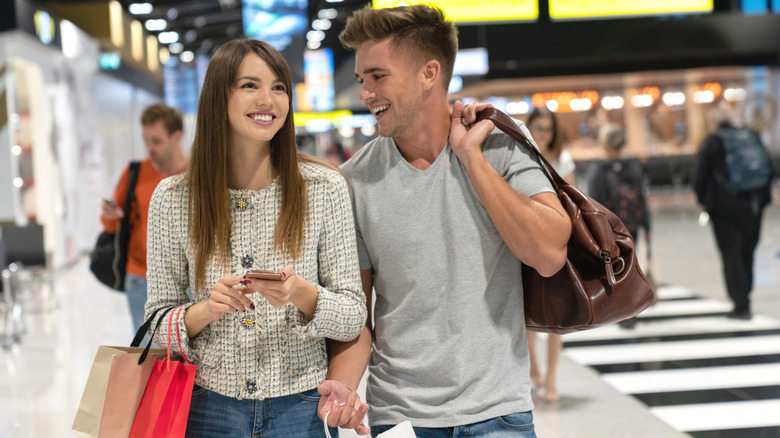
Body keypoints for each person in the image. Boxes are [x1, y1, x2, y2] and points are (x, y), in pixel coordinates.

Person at [317, 5, 571, 437]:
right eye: (362, 79)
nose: (366, 92)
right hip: (400, 416)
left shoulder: (500, 145)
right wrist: (342, 385)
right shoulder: (354, 180)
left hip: (499, 411)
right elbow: (357, 314)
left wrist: (471, 158)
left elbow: (548, 254)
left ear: (429, 73)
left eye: (378, 76)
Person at [143, 39, 367, 437]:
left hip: (301, 409)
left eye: (279, 86)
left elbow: (353, 315)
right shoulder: (174, 199)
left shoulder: (324, 188)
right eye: (250, 85)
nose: (268, 99)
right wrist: (206, 310)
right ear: (218, 97)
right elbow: (156, 323)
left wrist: (300, 292)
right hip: (205, 408)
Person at [101, 103, 188, 334]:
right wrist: (112, 217)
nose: (149, 147)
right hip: (141, 278)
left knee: (189, 355)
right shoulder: (135, 173)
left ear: (176, 136)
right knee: (145, 354)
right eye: (146, 140)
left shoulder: (195, 174)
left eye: (156, 141)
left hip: (188, 280)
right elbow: (111, 226)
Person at [691, 109, 773, 320]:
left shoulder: (712, 141)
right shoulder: (750, 135)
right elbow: (768, 169)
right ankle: (746, 297)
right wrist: (762, 201)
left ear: (713, 122)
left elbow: (699, 176)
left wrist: (704, 202)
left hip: (724, 209)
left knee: (731, 256)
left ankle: (740, 305)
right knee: (747, 254)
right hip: (753, 206)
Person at [524, 107, 572, 403]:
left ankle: (551, 378)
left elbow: (569, 201)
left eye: (547, 128)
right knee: (527, 314)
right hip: (523, 243)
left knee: (557, 319)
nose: (542, 133)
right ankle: (534, 367)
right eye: (537, 127)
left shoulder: (561, 159)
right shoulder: (519, 154)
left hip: (555, 243)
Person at [585, 124, 652, 329]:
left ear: (605, 143)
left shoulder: (598, 168)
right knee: (631, 264)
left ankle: (619, 311)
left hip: (610, 227)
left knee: (614, 267)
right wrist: (648, 227)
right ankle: (631, 310)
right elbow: (642, 197)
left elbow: (594, 202)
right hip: (632, 224)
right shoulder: (632, 166)